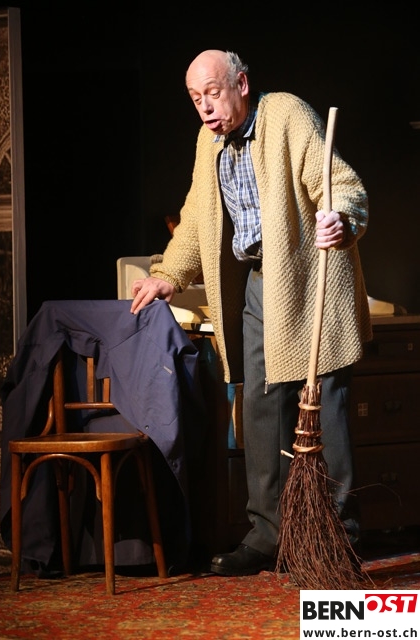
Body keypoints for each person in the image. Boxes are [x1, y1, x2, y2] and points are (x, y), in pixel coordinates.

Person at [130, 49, 372, 577]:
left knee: (324, 406)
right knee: (260, 404)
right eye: (195, 98)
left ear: (241, 84)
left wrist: (341, 218)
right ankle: (268, 533)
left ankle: (337, 536)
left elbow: (339, 183)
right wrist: (170, 274)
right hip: (260, 283)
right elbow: (197, 215)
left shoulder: (287, 114)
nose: (204, 107)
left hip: (310, 276)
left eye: (213, 93)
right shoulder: (208, 142)